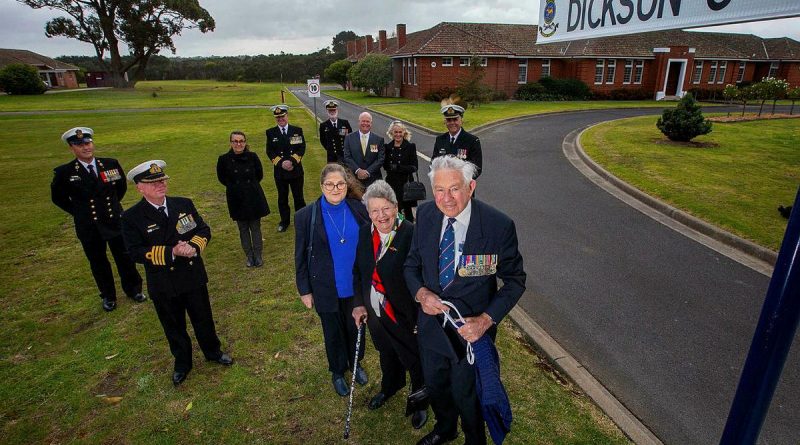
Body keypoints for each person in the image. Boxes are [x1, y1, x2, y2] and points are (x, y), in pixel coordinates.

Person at [404, 155, 526, 445]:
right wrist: (421, 294)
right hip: (432, 330)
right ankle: (445, 429)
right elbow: (411, 265)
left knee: (467, 395)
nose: (446, 199)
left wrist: (485, 321)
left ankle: (474, 439)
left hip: (468, 335)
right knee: (437, 387)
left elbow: (515, 281)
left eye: (455, 189)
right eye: (439, 190)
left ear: (471, 187)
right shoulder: (426, 216)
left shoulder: (498, 225)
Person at [121, 160, 233, 386]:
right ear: (139, 187)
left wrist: (193, 246)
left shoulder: (183, 204)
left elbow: (202, 230)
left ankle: (213, 352)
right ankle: (182, 363)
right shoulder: (131, 217)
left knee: (203, 318)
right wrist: (171, 252)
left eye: (162, 180)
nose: (160, 185)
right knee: (173, 325)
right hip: (163, 282)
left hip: (192, 276)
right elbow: (134, 252)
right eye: (153, 182)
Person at [351, 180, 429, 430]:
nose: (380, 215)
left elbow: (423, 276)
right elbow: (358, 272)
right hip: (375, 313)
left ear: (395, 207)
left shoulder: (411, 233)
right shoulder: (364, 233)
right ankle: (391, 386)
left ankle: (419, 402)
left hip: (404, 314)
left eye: (385, 209)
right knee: (386, 353)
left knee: (414, 359)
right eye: (374, 210)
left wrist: (420, 314)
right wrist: (359, 304)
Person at [51, 126, 145, 312]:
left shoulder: (110, 164)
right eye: (79, 144)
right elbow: (58, 198)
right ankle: (108, 296)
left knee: (125, 256)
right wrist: (79, 212)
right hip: (89, 226)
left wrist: (111, 206)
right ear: (72, 148)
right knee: (98, 261)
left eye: (88, 142)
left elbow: (120, 189)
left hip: (114, 219)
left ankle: (133, 289)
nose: (86, 147)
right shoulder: (65, 172)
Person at [295, 164, 370, 397]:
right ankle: (338, 371)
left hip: (356, 285)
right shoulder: (306, 215)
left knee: (355, 328)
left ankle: (355, 363)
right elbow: (300, 256)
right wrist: (304, 290)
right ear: (321, 186)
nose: (335, 188)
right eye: (330, 184)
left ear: (346, 185)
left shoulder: (359, 209)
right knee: (333, 331)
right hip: (325, 287)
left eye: (339, 184)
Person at [216, 131, 271, 267]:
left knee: (255, 227)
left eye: (241, 141)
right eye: (235, 141)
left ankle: (258, 255)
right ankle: (249, 256)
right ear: (231, 143)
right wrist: (236, 188)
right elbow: (222, 178)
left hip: (253, 196)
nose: (238, 144)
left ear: (245, 142)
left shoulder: (253, 157)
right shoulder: (223, 159)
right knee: (243, 228)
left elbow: (259, 175)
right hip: (236, 198)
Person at [266, 105, 306, 232]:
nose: (280, 119)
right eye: (278, 117)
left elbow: (301, 148)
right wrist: (281, 163)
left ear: (287, 116)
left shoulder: (297, 130)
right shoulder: (271, 132)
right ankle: (284, 221)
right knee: (282, 198)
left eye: (282, 116)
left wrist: (292, 161)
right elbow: (270, 151)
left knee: (298, 197)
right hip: (280, 172)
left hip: (296, 171)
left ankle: (301, 221)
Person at [431, 105, 482, 179]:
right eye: (449, 120)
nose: (452, 123)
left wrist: (457, 181)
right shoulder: (440, 140)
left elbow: (477, 169)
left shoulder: (472, 141)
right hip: (444, 186)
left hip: (463, 187)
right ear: (445, 122)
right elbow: (433, 165)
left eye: (455, 119)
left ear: (461, 120)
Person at [384, 120, 419, 222]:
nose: (398, 134)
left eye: (400, 132)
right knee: (394, 210)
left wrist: (398, 168)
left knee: (407, 213)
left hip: (406, 184)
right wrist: (391, 167)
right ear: (391, 133)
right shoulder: (388, 147)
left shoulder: (410, 146)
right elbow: (386, 166)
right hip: (392, 184)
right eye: (396, 132)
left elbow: (414, 167)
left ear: (404, 132)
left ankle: (409, 233)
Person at [343, 111, 385, 188]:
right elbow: (347, 157)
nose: (365, 123)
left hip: (374, 180)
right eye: (363, 121)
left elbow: (380, 159)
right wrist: (358, 170)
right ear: (359, 122)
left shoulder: (379, 140)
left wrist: (368, 172)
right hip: (354, 179)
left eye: (368, 121)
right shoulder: (349, 138)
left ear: (371, 123)